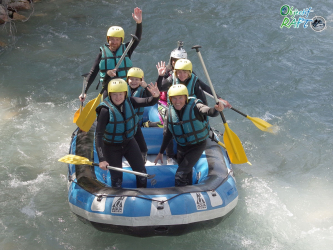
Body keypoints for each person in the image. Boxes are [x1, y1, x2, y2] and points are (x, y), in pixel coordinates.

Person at [154, 84, 224, 186]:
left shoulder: (196, 106)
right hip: (182, 147)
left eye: (180, 98)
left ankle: (182, 199)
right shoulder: (170, 112)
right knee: (186, 173)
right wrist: (161, 152)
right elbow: (168, 134)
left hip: (197, 145)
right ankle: (189, 189)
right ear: (170, 99)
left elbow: (209, 111)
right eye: (174, 98)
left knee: (180, 174)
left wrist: (216, 110)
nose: (177, 101)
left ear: (186, 98)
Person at [95, 78, 160, 188]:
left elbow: (149, 101)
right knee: (117, 179)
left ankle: (143, 197)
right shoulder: (105, 111)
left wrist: (155, 96)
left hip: (129, 143)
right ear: (109, 95)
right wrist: (102, 159)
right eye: (114, 94)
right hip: (111, 147)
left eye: (120, 94)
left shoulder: (131, 101)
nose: (118, 97)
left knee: (142, 174)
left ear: (125, 93)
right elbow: (99, 135)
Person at [79, 7, 143, 102]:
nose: (114, 42)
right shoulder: (102, 54)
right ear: (108, 39)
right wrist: (84, 92)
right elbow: (93, 73)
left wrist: (139, 23)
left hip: (124, 88)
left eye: (117, 39)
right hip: (108, 88)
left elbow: (137, 37)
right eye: (112, 39)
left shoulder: (127, 49)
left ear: (121, 40)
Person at [156, 58, 231, 107]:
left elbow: (204, 91)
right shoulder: (172, 78)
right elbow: (159, 88)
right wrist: (160, 76)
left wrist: (219, 98)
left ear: (189, 72)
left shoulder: (194, 81)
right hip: (174, 107)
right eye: (179, 72)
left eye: (185, 72)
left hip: (188, 109)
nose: (182, 75)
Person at [126, 67, 150, 162]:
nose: (134, 82)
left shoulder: (143, 91)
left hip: (135, 121)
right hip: (124, 120)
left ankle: (143, 153)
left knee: (139, 140)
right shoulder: (123, 89)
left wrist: (146, 87)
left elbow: (149, 100)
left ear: (141, 80)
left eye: (137, 79)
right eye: (131, 79)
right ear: (127, 79)